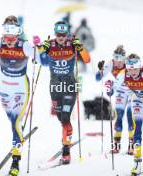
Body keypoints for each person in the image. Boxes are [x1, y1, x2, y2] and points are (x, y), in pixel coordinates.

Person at [0, 15, 38, 176]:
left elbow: (43, 61)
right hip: (4, 88)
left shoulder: (24, 45)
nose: (9, 36)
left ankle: (15, 162)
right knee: (13, 122)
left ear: (18, 32)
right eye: (6, 30)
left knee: (15, 124)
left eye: (13, 31)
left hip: (21, 89)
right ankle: (19, 133)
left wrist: (39, 48)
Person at [33, 21, 84, 164]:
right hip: (55, 87)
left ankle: (66, 150)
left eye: (63, 34)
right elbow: (40, 61)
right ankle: (66, 136)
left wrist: (80, 48)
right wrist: (41, 48)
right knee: (61, 119)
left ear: (67, 34)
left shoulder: (72, 44)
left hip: (70, 86)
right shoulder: (50, 44)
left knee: (66, 117)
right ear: (55, 33)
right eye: (58, 34)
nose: (61, 37)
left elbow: (87, 59)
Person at [95, 45, 134, 155]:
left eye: (120, 60)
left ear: (124, 59)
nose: (118, 63)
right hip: (121, 92)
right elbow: (97, 78)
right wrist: (101, 70)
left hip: (132, 92)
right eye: (115, 59)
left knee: (130, 117)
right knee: (118, 117)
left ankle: (132, 145)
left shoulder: (130, 63)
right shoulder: (110, 64)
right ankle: (116, 145)